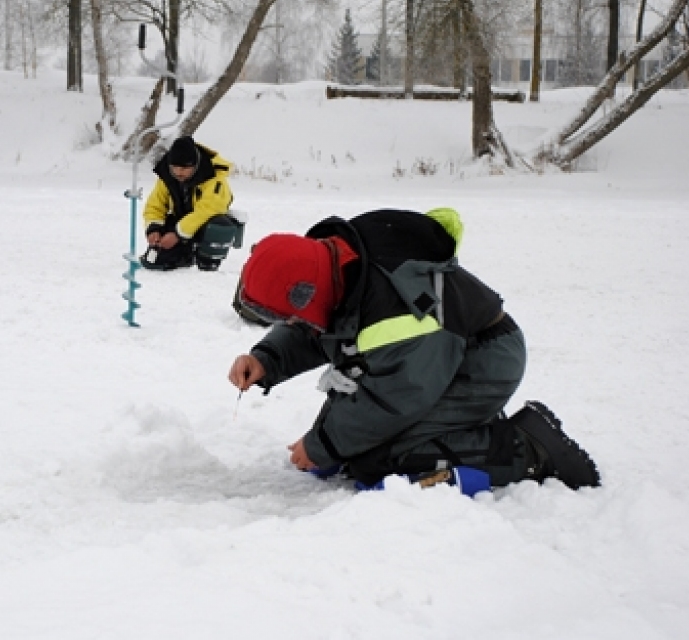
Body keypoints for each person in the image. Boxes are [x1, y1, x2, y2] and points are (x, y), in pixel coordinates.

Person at [228, 208, 600, 491]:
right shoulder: (339, 267)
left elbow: (394, 401)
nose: (290, 323)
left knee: (383, 459)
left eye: (289, 316)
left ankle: (528, 449)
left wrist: (323, 443)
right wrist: (266, 360)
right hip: (431, 358)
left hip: (483, 361)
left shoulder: (396, 310)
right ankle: (461, 428)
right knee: (354, 450)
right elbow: (318, 325)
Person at [141, 136, 238, 272]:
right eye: (175, 168)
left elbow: (208, 210)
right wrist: (153, 228)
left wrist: (177, 234)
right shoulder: (166, 176)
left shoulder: (214, 177)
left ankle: (206, 260)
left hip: (202, 224)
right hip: (180, 222)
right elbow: (155, 204)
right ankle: (183, 255)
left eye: (185, 168)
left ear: (195, 165)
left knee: (219, 224)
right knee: (157, 261)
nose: (179, 172)